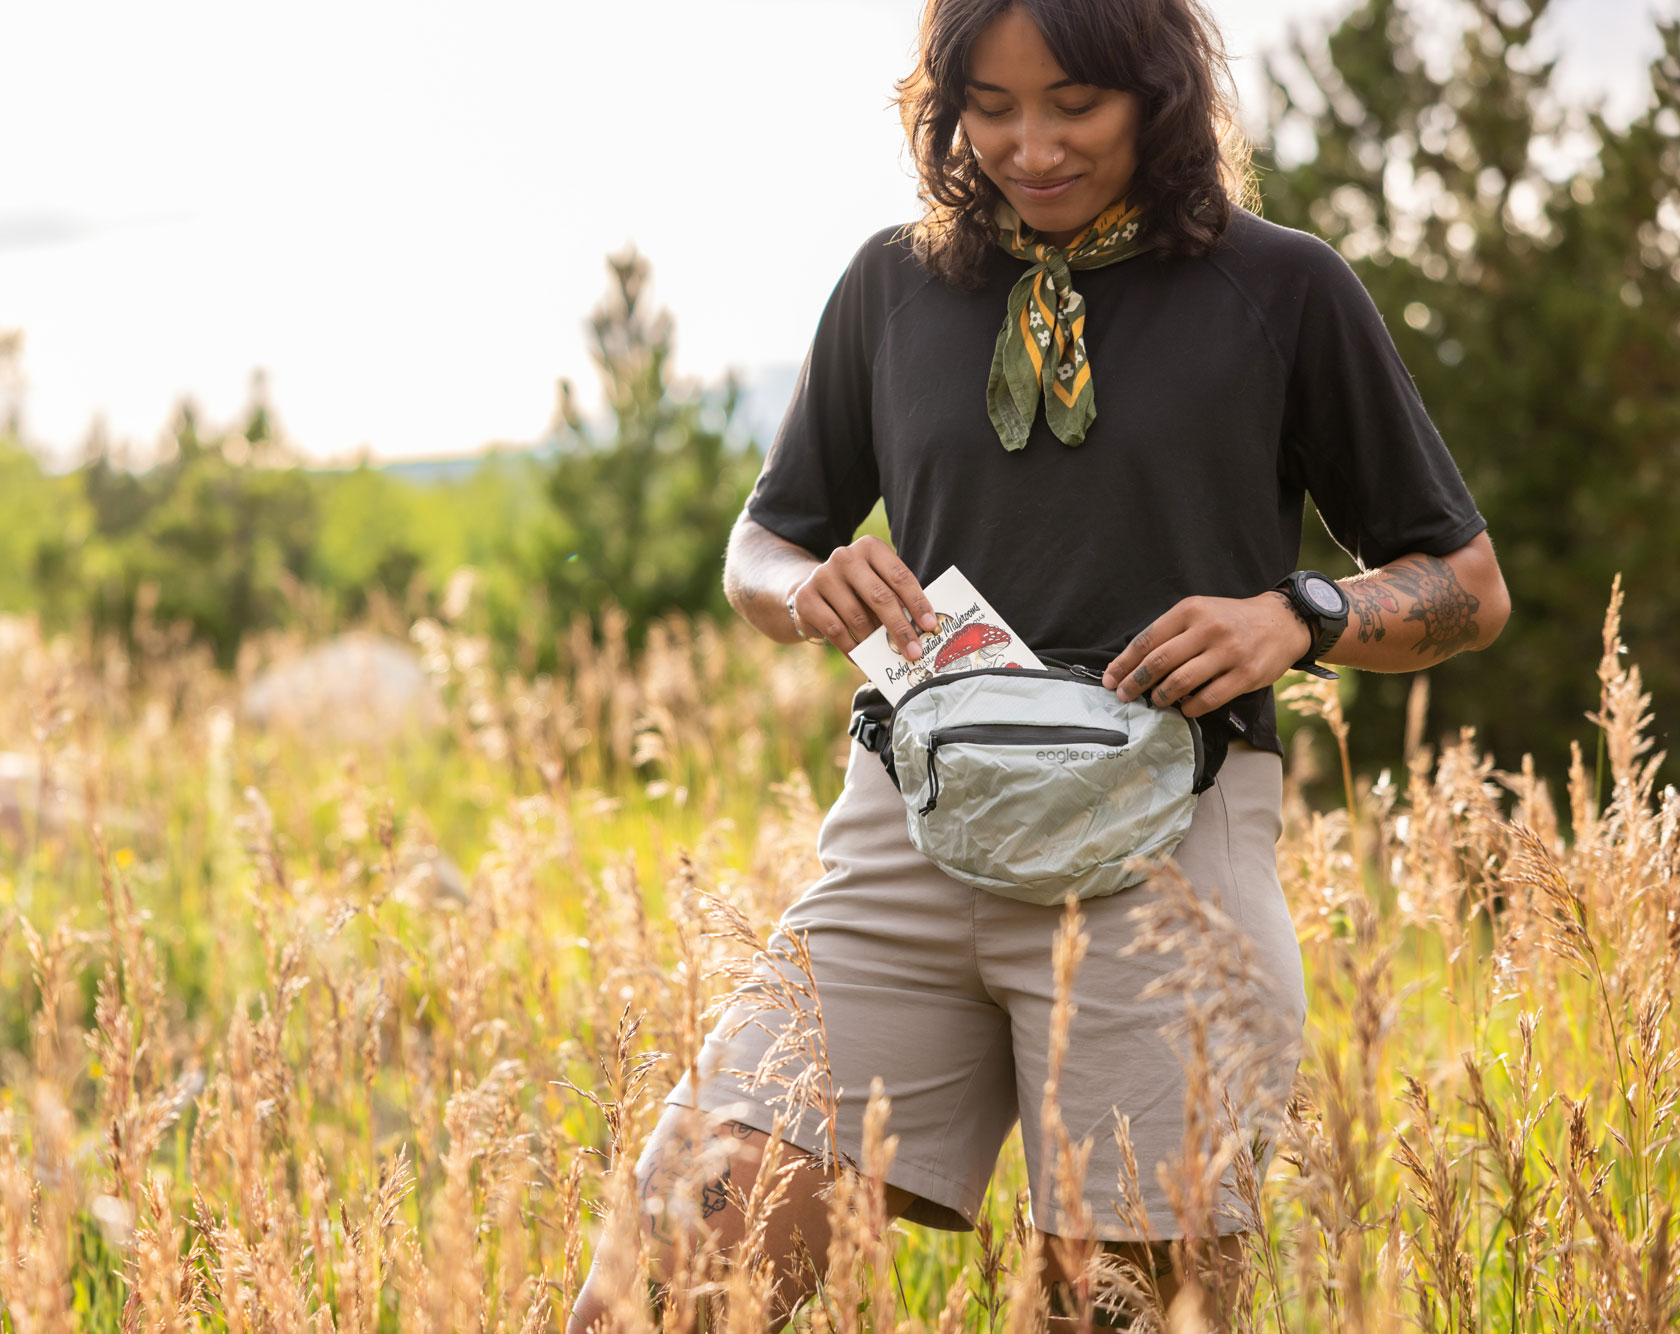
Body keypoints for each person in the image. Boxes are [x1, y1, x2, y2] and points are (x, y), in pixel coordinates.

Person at [569, 0, 1511, 1328]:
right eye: (990, 108)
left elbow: (1469, 585)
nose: (1031, 146)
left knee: (1111, 1311)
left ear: (1160, 92)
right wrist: (806, 585)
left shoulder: (1284, 287)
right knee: (660, 1281)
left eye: (1075, 105)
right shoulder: (892, 286)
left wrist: (1299, 613)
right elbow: (762, 542)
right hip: (908, 833)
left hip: (1164, 854)